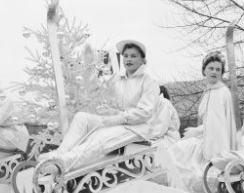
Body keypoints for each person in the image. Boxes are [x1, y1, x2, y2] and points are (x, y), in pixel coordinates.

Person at [43, 39, 167, 172]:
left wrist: (120, 118)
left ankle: (63, 163)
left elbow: (145, 112)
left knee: (101, 136)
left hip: (138, 128)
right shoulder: (118, 80)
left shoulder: (148, 82)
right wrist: (89, 66)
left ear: (143, 60)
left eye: (133, 56)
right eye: (125, 56)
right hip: (119, 122)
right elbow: (95, 89)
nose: (128, 59)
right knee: (82, 118)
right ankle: (59, 154)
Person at [158, 52, 236, 193]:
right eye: (211, 68)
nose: (214, 72)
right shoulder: (211, 91)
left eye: (218, 69)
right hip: (208, 138)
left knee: (178, 154)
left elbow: (217, 126)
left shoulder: (219, 92)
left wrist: (197, 131)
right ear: (204, 71)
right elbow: (211, 122)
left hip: (215, 144)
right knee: (177, 151)